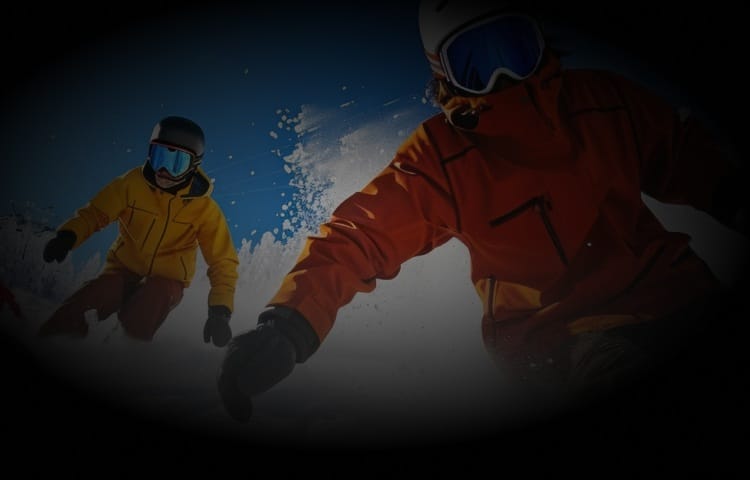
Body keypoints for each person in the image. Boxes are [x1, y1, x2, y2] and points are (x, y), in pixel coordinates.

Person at [217, 0, 749, 422]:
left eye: (514, 48)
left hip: (678, 295)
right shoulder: (443, 158)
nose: (502, 79)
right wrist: (289, 325)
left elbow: (683, 153)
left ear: (540, 39)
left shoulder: (604, 103)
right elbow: (360, 234)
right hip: (560, 337)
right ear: (444, 75)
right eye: (476, 64)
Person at [38, 116, 239, 346]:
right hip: (123, 271)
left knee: (151, 299)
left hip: (167, 282)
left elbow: (222, 261)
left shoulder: (204, 209)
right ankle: (51, 341)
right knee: (90, 298)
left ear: (193, 167)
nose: (163, 170)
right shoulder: (131, 185)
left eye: (176, 163)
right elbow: (96, 213)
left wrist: (220, 311)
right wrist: (69, 235)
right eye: (159, 157)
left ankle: (126, 353)